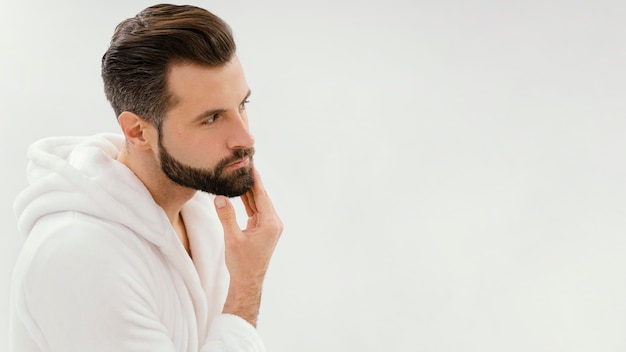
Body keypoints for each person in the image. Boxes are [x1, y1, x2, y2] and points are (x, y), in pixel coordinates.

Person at [10, 4, 283, 352]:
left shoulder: (198, 216)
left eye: (241, 105)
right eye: (212, 119)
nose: (245, 138)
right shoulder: (80, 256)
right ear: (138, 132)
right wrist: (246, 285)